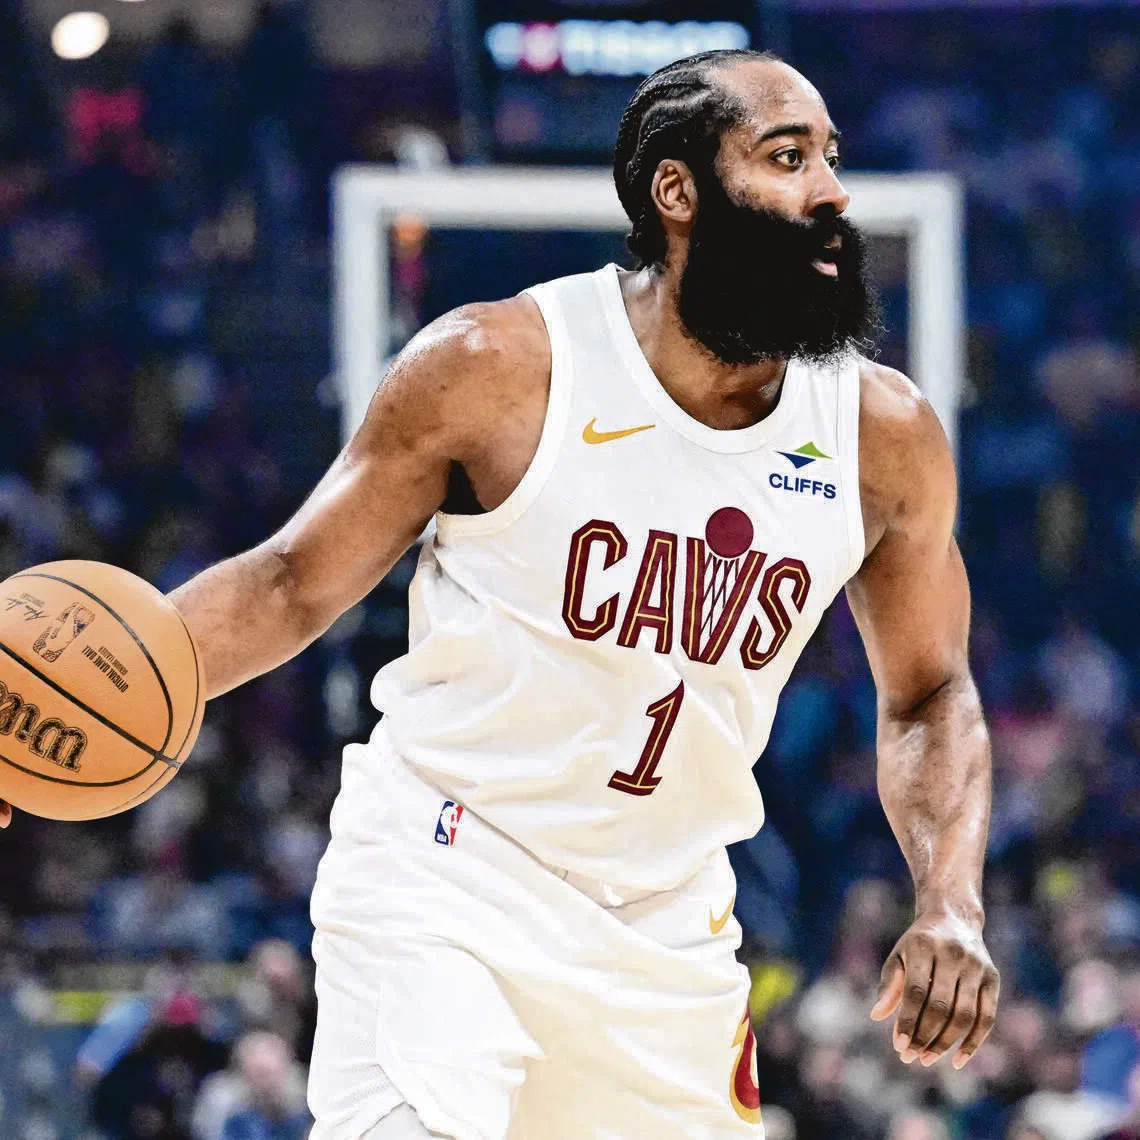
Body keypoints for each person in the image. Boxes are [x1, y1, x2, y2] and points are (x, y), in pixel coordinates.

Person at [0, 48, 999, 1138]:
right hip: (447, 868)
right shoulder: (501, 366)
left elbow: (931, 691)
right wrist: (66, 693)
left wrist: (949, 896)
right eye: (786, 156)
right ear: (680, 192)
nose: (829, 193)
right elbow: (291, 585)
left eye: (832, 160)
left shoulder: (881, 439)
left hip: (665, 927)